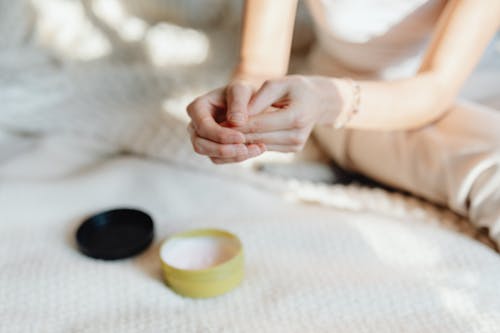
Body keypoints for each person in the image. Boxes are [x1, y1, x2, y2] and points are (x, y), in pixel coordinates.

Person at [186, 0, 500, 241]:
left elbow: (436, 87)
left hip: (459, 85)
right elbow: (259, 68)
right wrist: (240, 106)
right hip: (364, 104)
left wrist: (327, 100)